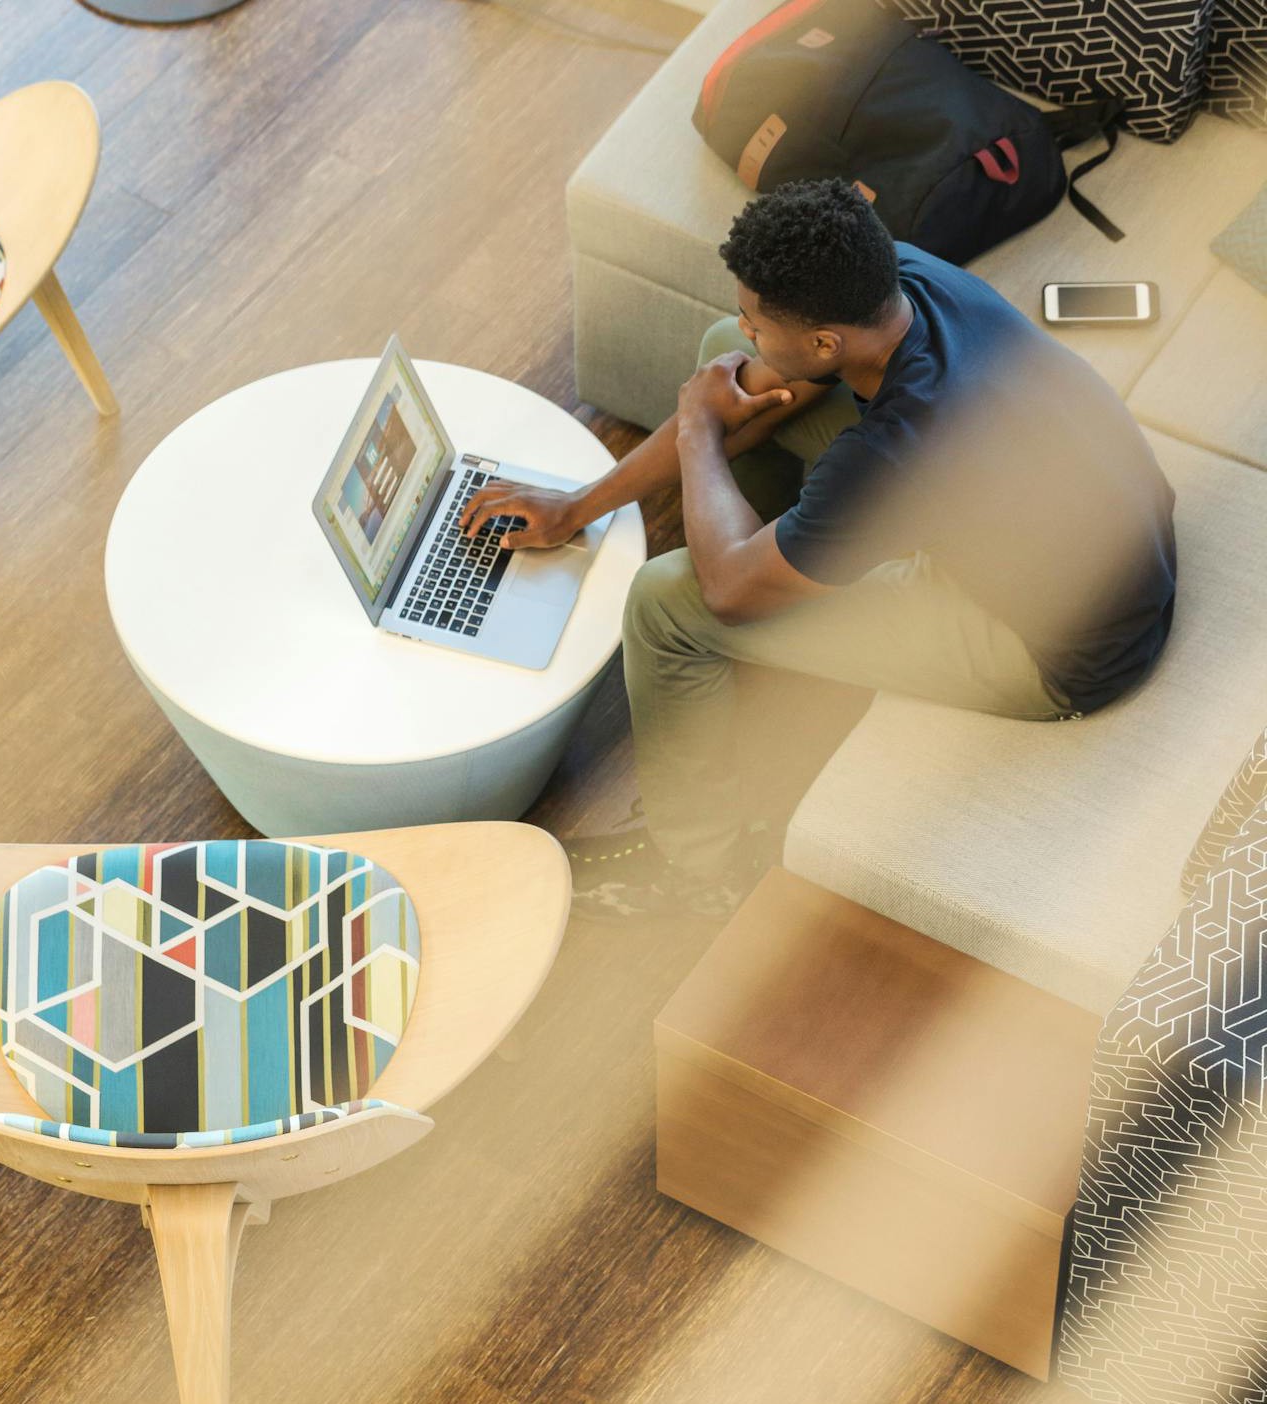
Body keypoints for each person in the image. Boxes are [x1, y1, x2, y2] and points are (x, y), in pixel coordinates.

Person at [459, 178, 1178, 920]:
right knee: (721, 360)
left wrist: (700, 430)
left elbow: (726, 591)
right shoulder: (899, 279)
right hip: (1103, 538)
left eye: (757, 320)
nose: (747, 329)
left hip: (1054, 648)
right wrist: (577, 507)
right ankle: (785, 561)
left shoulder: (901, 446)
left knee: (666, 603)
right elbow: (754, 376)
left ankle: (696, 868)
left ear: (827, 342)